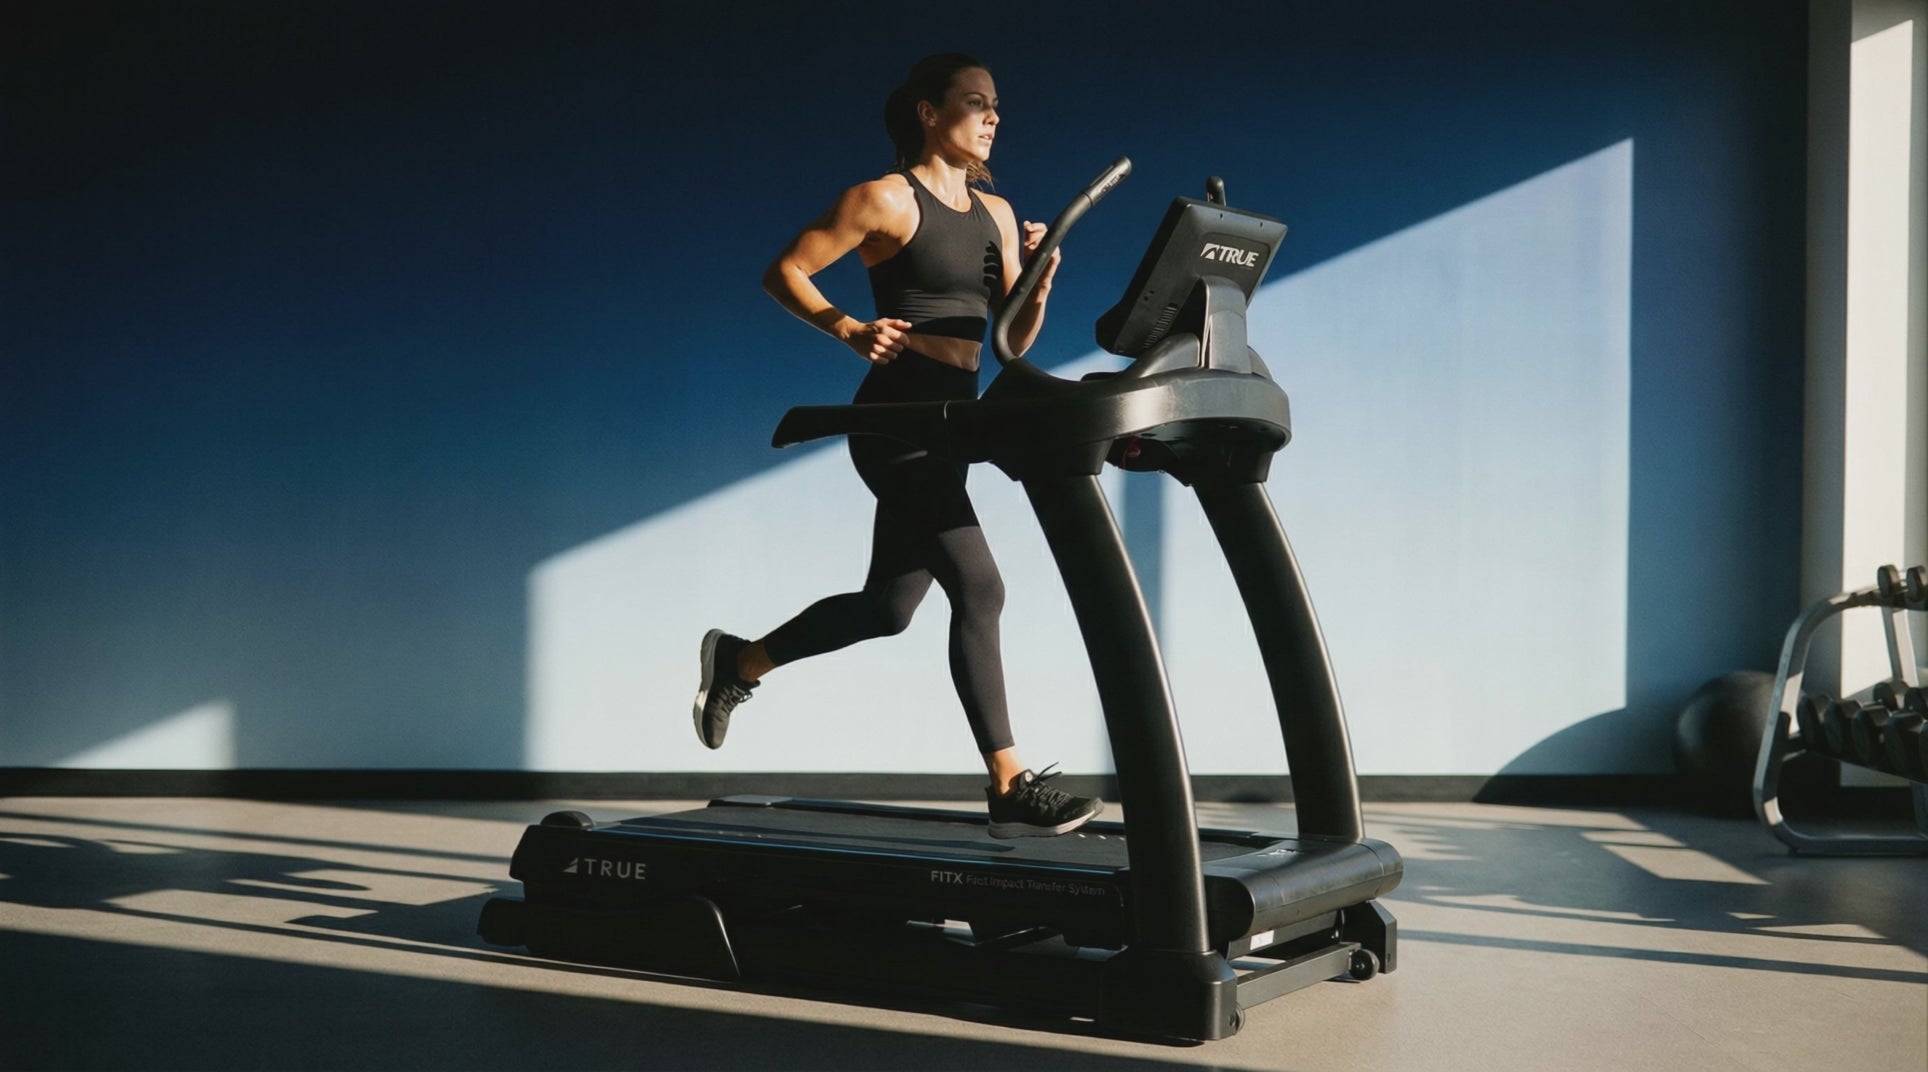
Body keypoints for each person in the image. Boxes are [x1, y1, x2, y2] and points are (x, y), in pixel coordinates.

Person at [691, 53, 1103, 839]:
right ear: (926, 111)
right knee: (980, 588)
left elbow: (1011, 338)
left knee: (888, 609)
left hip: (953, 427)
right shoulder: (884, 199)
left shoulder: (994, 211)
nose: (992, 117)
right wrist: (846, 327)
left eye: (996, 107)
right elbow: (787, 272)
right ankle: (1010, 783)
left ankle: (740, 662)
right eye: (975, 103)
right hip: (895, 423)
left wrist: (1039, 285)